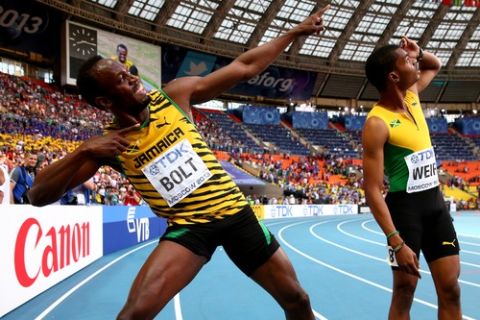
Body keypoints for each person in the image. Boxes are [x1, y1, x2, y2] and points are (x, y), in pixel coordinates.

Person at [28, 6, 330, 319]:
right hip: (190, 228)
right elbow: (37, 196)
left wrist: (295, 32)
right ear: (105, 101)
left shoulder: (174, 96)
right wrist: (84, 150)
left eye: (129, 70)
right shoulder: (109, 145)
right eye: (121, 79)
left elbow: (245, 66)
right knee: (133, 315)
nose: (133, 77)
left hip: (236, 215)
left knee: (298, 300)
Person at [362, 36, 462, 319]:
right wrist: (396, 241)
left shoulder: (412, 94)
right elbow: (371, 190)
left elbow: (435, 64)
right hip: (405, 213)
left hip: (435, 206)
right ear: (393, 76)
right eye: (407, 61)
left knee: (451, 288)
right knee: (405, 292)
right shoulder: (377, 123)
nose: (414, 62)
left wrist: (418, 52)